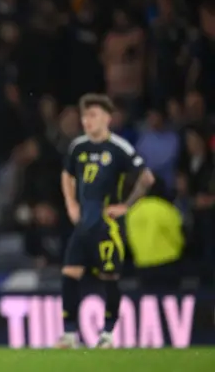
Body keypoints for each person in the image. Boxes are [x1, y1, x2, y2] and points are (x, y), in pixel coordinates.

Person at [58, 94, 155, 349]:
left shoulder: (119, 148)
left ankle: (108, 334)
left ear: (107, 118)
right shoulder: (78, 147)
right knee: (70, 274)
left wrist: (126, 205)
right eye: (84, 116)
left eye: (93, 115)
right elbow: (67, 175)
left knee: (108, 276)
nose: (86, 121)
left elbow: (147, 178)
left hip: (107, 224)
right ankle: (69, 335)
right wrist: (71, 204)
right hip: (83, 224)